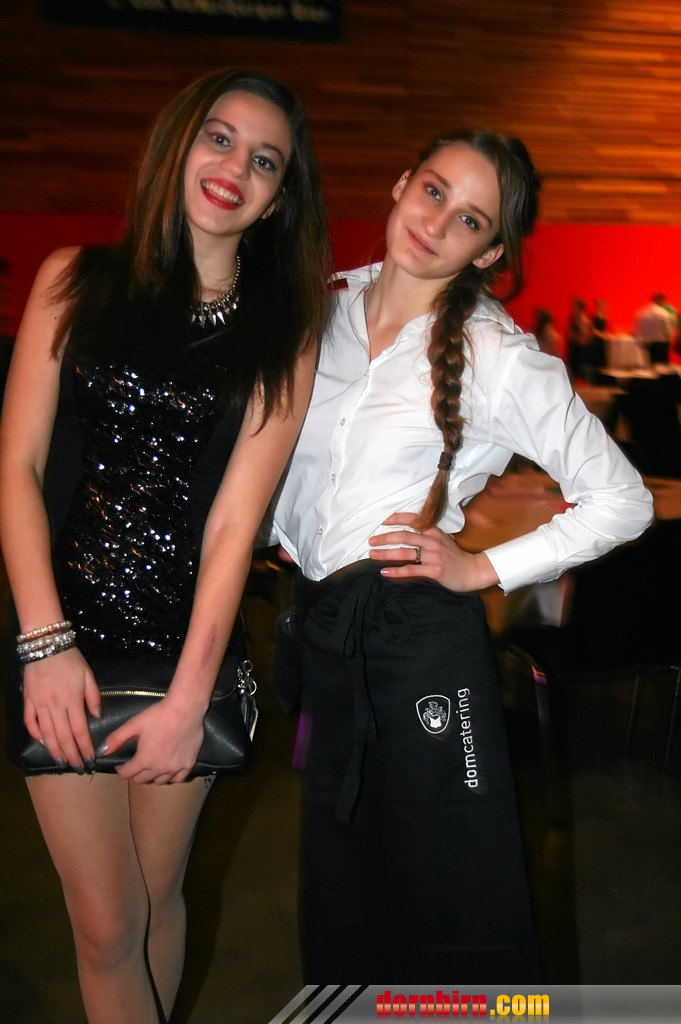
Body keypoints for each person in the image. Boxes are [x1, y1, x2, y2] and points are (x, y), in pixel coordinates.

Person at [269, 129, 654, 984]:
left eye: (470, 219)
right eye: (434, 191)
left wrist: (480, 568)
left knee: (456, 910)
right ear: (403, 182)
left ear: (488, 251)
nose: (436, 222)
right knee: (343, 898)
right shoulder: (321, 309)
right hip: (327, 634)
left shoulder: (496, 354)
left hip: (419, 644)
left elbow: (622, 501)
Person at [0, 68, 330, 1024]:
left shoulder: (284, 330)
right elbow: (16, 466)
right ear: (178, 144)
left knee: (155, 897)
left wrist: (191, 698)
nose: (235, 168)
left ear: (278, 198)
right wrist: (44, 645)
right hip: (60, 634)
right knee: (105, 925)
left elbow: (235, 523)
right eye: (219, 138)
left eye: (264, 161)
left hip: (189, 649)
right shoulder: (73, 279)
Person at [634, 292, 674, 364]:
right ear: (661, 301)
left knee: (649, 364)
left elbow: (637, 330)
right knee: (662, 365)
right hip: (661, 343)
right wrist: (669, 337)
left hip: (647, 343)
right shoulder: (663, 313)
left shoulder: (642, 312)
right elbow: (667, 330)